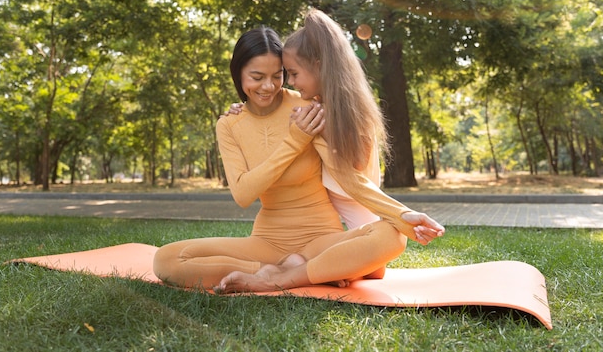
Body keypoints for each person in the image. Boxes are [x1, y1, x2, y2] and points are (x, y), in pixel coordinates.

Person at [153, 25, 443, 294]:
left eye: (277, 75)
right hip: (266, 242)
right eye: (257, 77)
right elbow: (243, 193)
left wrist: (402, 215)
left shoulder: (307, 106)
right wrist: (295, 141)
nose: (268, 86)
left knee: (391, 236)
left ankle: (279, 278)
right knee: (166, 260)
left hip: (321, 239)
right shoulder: (229, 125)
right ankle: (301, 271)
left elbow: (347, 177)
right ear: (238, 74)